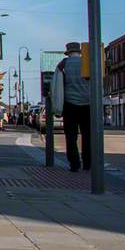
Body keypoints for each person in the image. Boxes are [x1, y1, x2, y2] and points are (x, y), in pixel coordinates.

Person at [53, 42, 91, 172]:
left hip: (70, 105)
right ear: (79, 52)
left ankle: (74, 163)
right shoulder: (87, 63)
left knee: (71, 136)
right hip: (87, 104)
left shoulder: (63, 65)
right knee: (87, 135)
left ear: (68, 52)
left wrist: (57, 106)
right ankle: (88, 163)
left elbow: (56, 87)